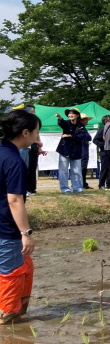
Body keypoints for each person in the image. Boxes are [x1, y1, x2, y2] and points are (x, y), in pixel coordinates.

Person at [0, 109, 39, 324]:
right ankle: (9, 315)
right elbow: (15, 200)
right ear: (25, 133)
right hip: (6, 227)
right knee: (12, 271)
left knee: (25, 265)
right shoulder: (14, 161)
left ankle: (18, 309)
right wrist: (26, 233)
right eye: (36, 132)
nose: (37, 137)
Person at [55, 107, 86, 193]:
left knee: (76, 171)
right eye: (69, 113)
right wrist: (60, 118)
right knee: (63, 171)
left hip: (76, 151)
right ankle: (65, 189)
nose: (70, 115)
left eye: (73, 113)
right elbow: (62, 123)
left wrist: (70, 136)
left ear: (77, 115)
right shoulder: (66, 123)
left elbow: (81, 137)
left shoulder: (81, 126)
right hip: (64, 150)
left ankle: (78, 188)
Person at [93, 115, 110, 190]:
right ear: (106, 122)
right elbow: (95, 140)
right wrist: (104, 144)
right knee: (104, 168)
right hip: (104, 152)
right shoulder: (101, 130)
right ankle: (101, 184)